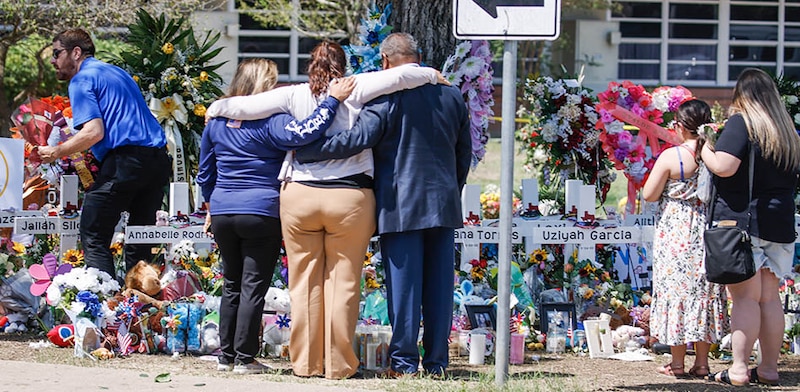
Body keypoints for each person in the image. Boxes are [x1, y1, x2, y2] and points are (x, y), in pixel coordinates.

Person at [205, 41, 442, 379]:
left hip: (299, 195)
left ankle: (305, 363)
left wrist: (218, 107)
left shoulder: (291, 96)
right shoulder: (356, 86)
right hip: (349, 196)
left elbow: (246, 107)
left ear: (308, 66)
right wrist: (431, 74)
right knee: (344, 284)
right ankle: (339, 364)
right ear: (343, 66)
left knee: (303, 284)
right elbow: (400, 76)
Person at [295, 32, 471, 377]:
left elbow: (357, 139)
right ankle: (437, 363)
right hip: (443, 202)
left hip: (401, 202)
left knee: (404, 290)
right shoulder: (452, 95)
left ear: (386, 62)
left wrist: (309, 151)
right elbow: (464, 151)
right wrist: (453, 187)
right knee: (439, 288)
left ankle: (404, 363)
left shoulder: (389, 95)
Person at [197, 59, 355, 375]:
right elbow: (307, 133)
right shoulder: (273, 121)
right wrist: (332, 102)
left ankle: (225, 356)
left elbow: (205, 172)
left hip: (224, 210)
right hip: (261, 210)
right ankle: (245, 358)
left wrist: (212, 205)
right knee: (253, 285)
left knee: (231, 283)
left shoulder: (215, 122)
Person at [38, 28, 171, 280]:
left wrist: (56, 151)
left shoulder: (81, 79)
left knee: (94, 233)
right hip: (157, 161)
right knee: (139, 238)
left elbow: (93, 132)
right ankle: (140, 309)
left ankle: (103, 308)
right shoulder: (116, 72)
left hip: (127, 162)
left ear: (76, 53)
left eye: (57, 53)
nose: (54, 60)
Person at [701, 68, 800, 387]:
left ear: (741, 95)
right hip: (780, 222)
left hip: (745, 222)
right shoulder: (787, 130)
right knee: (770, 298)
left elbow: (724, 167)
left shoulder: (742, 122)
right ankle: (769, 369)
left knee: (744, 299)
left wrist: (705, 148)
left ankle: (739, 369)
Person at [642, 99, 729, 379]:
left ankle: (677, 363)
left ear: (679, 126)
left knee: (676, 292)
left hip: (676, 230)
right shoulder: (714, 153)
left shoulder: (672, 156)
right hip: (706, 228)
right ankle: (702, 363)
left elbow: (649, 194)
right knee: (703, 293)